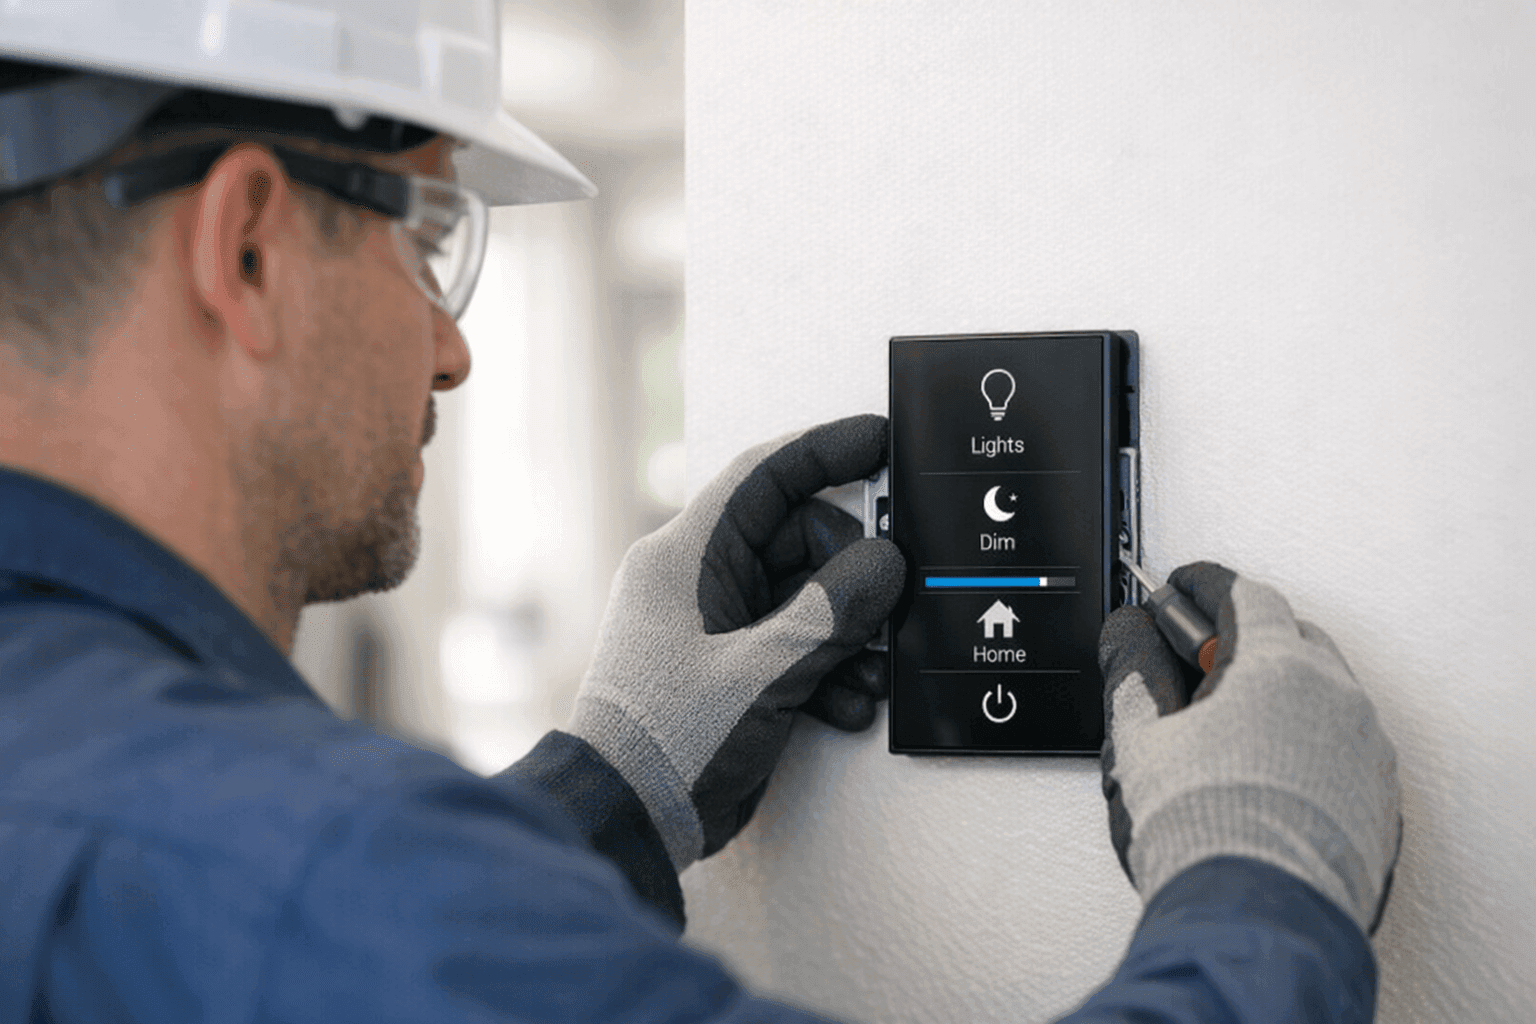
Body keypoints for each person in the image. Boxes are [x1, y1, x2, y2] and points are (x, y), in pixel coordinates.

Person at [0, 4, 1401, 1022]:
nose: (452, 349)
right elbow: (307, 920)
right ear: (245, 247)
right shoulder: (308, 873)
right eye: (429, 238)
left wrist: (611, 786)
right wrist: (1267, 874)